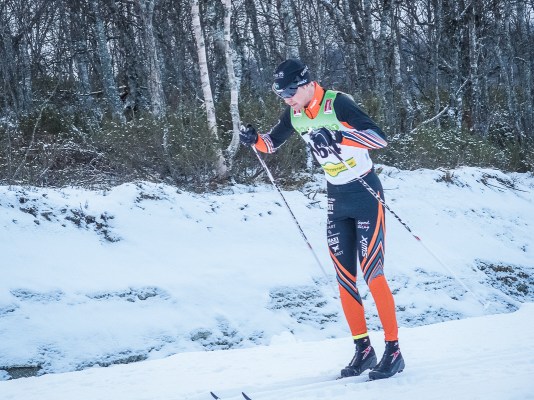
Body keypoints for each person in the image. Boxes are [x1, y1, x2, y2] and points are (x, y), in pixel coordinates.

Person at [240, 59, 405, 380]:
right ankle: (364, 350)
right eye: (279, 93)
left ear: (305, 84)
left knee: (373, 274)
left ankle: (393, 350)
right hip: (336, 198)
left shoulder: (337, 103)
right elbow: (271, 144)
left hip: (365, 192)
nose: (286, 98)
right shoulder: (295, 113)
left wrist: (339, 137)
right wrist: (254, 138)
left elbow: (379, 139)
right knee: (344, 277)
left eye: (289, 91)